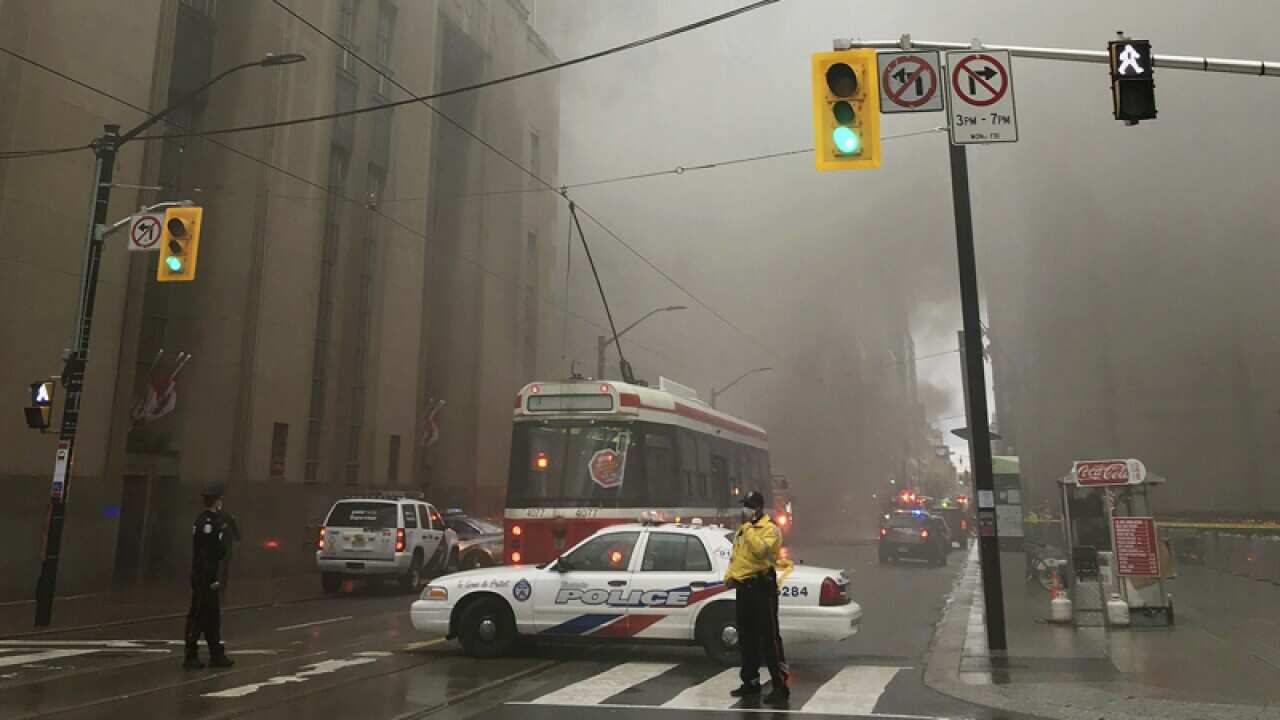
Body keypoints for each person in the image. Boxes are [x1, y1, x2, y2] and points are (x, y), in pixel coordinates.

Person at [724, 490, 791, 706]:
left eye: (749, 506)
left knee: (769, 638)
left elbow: (760, 551)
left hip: (762, 588)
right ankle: (750, 682)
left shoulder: (770, 530)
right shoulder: (742, 530)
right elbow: (736, 556)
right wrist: (729, 577)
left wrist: (750, 529)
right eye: (745, 505)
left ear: (759, 509)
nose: (745, 509)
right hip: (744, 589)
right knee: (747, 638)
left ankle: (780, 686)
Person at [184, 484, 234, 670]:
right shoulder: (207, 523)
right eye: (220, 499)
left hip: (208, 574)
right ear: (216, 501)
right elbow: (209, 552)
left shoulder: (213, 521)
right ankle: (190, 654)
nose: (221, 502)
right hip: (204, 576)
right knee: (198, 615)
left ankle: (216, 653)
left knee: (212, 617)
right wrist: (210, 578)